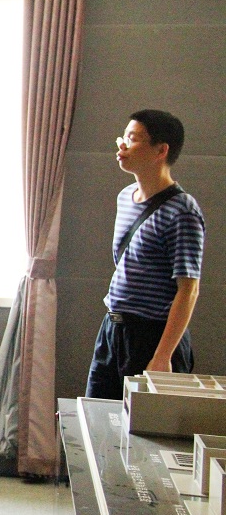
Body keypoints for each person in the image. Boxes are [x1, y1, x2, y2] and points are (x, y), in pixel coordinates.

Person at [85, 110, 205, 400]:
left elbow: (188, 290)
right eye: (124, 136)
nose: (122, 145)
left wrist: (163, 356)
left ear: (161, 151)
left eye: (133, 139)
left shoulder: (183, 211)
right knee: (96, 413)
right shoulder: (125, 197)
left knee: (142, 424)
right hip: (113, 328)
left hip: (151, 335)